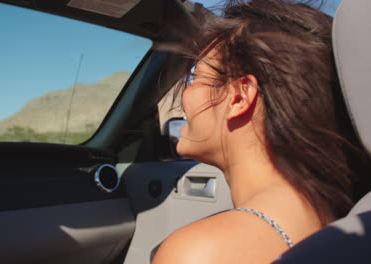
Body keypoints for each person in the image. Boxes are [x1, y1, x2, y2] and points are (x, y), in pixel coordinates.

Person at [152, 0, 370, 263]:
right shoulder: (349, 221)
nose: (185, 94)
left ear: (239, 97)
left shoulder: (200, 253)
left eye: (196, 78)